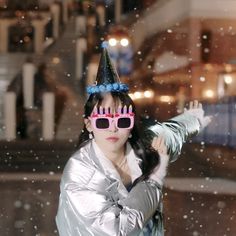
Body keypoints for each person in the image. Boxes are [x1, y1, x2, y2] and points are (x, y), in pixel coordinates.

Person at [55, 42, 211, 236]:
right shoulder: (81, 173)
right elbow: (119, 230)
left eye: (121, 120)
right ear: (89, 125)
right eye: (103, 122)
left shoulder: (146, 143)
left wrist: (193, 119)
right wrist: (154, 178)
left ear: (131, 124)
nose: (113, 128)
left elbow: (172, 132)